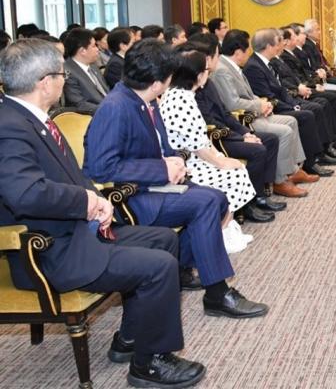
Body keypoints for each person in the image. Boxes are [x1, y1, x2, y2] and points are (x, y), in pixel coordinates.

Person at [0, 39, 206, 389]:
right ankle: (150, 364)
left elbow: (73, 175)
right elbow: (26, 193)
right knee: (158, 267)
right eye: (62, 75)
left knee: (161, 240)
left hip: (74, 234)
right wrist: (84, 202)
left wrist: (97, 199)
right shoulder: (9, 127)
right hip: (47, 251)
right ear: (45, 83)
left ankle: (131, 337)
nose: (64, 81)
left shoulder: (29, 118)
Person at [84, 39, 269, 320]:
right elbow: (100, 168)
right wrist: (161, 169)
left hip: (156, 185)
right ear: (158, 81)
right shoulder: (116, 107)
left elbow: (164, 146)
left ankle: (181, 267)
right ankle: (217, 293)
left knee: (217, 199)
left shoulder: (145, 100)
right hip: (131, 196)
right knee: (208, 202)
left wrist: (175, 162)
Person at [158, 50, 257, 254]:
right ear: (197, 75)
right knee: (233, 173)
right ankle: (219, 234)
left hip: (193, 156)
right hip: (185, 163)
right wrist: (222, 162)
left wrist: (221, 158)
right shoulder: (180, 99)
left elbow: (201, 139)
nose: (209, 72)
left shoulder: (184, 94)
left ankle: (226, 229)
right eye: (206, 70)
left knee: (236, 169)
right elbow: (198, 146)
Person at [188, 34, 288, 215]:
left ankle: (262, 195)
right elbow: (208, 122)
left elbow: (225, 113)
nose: (219, 58)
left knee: (270, 139)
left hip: (226, 132)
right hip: (215, 138)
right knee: (257, 150)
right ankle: (248, 203)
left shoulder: (208, 83)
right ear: (207, 59)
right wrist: (240, 137)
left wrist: (245, 133)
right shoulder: (192, 89)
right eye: (217, 55)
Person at [212, 29, 325, 187]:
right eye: (247, 50)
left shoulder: (232, 66)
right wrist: (260, 105)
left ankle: (294, 169)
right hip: (244, 119)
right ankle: (280, 180)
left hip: (256, 111)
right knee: (285, 131)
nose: (249, 53)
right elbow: (233, 103)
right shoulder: (222, 71)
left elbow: (249, 94)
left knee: (291, 121)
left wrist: (263, 103)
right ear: (238, 52)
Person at [244, 28, 336, 165]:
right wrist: (292, 106)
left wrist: (293, 103)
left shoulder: (265, 62)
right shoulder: (254, 66)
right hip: (272, 107)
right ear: (268, 46)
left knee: (315, 108)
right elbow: (268, 96)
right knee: (308, 114)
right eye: (277, 43)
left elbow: (280, 88)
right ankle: (312, 161)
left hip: (285, 100)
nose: (280, 46)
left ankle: (324, 149)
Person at [62, 27, 109, 113]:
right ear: (82, 51)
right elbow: (79, 104)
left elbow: (105, 91)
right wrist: (108, 109)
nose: (97, 49)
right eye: (94, 46)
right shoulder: (67, 71)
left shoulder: (93, 66)